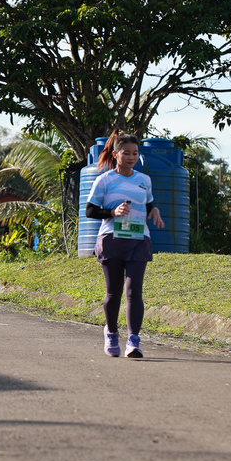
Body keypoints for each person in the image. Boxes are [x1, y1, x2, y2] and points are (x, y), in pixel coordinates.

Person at [85, 129, 165, 359]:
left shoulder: (144, 180)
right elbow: (90, 210)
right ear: (115, 154)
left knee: (134, 291)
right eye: (126, 153)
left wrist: (154, 210)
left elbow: (148, 203)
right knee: (114, 291)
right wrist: (113, 212)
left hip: (139, 239)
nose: (131, 157)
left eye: (135, 153)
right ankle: (111, 333)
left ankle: (133, 341)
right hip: (112, 239)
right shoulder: (104, 180)